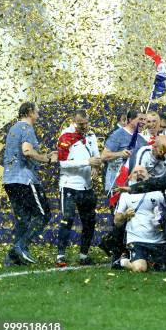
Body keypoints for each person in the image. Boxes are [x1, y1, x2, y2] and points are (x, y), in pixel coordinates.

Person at [3, 102, 57, 266]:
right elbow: (27, 151)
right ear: (29, 112)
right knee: (43, 215)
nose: (38, 116)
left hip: (10, 180)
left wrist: (44, 155)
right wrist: (47, 159)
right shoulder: (27, 128)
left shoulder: (13, 129)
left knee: (23, 218)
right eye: (37, 112)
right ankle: (20, 247)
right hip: (24, 179)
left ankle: (12, 258)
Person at [114, 166, 166, 272]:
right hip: (137, 240)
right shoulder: (126, 195)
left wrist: (163, 217)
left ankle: (153, 262)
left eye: (142, 171)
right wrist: (125, 215)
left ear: (149, 175)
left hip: (160, 240)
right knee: (139, 269)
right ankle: (123, 261)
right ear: (129, 177)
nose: (138, 174)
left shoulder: (159, 193)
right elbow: (116, 221)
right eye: (135, 172)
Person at [55, 110, 102, 267]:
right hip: (69, 185)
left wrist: (96, 166)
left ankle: (84, 255)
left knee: (89, 221)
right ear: (73, 121)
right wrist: (87, 162)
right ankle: (60, 255)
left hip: (86, 186)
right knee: (67, 218)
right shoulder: (65, 136)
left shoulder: (91, 136)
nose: (84, 127)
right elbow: (62, 163)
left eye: (86, 123)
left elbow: (96, 156)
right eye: (81, 124)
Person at [101, 109, 147, 193]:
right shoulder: (118, 134)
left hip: (132, 186)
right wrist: (120, 154)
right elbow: (104, 156)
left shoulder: (142, 140)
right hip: (115, 185)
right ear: (130, 119)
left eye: (145, 120)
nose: (144, 122)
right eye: (140, 119)